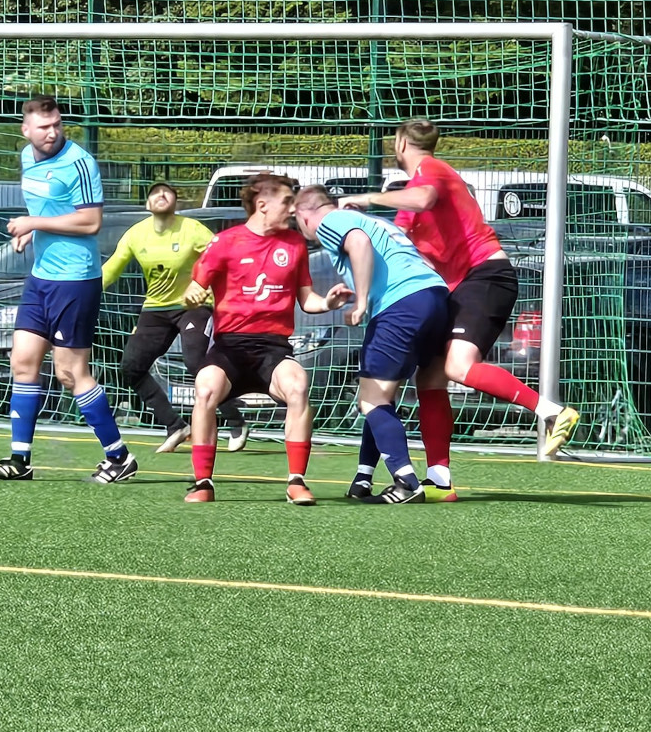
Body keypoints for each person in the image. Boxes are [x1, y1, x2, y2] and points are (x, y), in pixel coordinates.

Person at [339, 119, 579, 483]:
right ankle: (439, 479)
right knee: (430, 378)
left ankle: (549, 411)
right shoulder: (409, 200)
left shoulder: (431, 172)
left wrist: (368, 198)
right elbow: (400, 243)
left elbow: (423, 198)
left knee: (457, 367)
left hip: (485, 277)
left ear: (401, 144)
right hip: (454, 288)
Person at [0, 96, 137, 483]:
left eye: (57, 125)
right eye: (44, 127)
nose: (52, 133)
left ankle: (119, 457)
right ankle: (19, 461)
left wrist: (34, 222)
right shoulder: (26, 157)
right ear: (26, 130)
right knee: (23, 363)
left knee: (70, 373)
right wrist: (32, 229)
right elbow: (46, 210)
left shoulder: (79, 162)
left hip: (75, 279)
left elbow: (90, 222)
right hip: (41, 277)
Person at [181, 173, 352, 504]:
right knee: (205, 387)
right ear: (261, 205)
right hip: (230, 347)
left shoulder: (294, 244)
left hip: (272, 350)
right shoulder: (225, 242)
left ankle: (296, 482)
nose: (292, 209)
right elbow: (196, 286)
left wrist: (328, 302)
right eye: (286, 201)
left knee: (298, 385)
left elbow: (308, 300)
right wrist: (193, 294)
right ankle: (203, 484)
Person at [294, 185, 450, 504]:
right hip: (434, 296)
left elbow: (358, 243)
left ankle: (406, 481)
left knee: (370, 401)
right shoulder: (382, 223)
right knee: (378, 394)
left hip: (400, 304)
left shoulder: (331, 219)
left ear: (303, 214)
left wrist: (362, 300)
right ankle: (363, 477)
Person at [101, 181, 249, 454]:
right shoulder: (136, 234)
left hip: (194, 304)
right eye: (155, 192)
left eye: (167, 192)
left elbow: (220, 256)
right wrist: (86, 289)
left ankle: (236, 420)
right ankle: (175, 425)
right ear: (147, 205)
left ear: (176, 203)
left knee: (197, 363)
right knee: (131, 366)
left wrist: (211, 287)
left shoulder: (191, 229)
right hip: (156, 308)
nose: (161, 195)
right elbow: (112, 267)